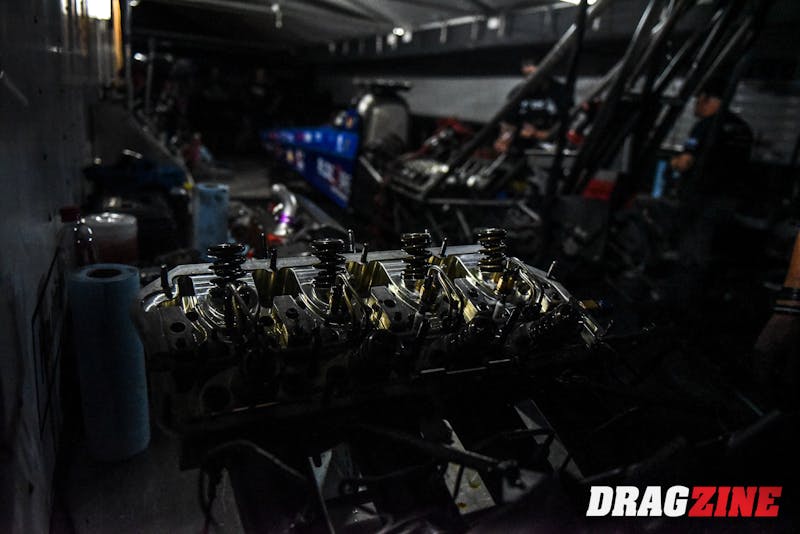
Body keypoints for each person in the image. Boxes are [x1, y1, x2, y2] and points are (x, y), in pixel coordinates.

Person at [494, 58, 573, 154]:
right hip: (524, 145)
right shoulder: (517, 93)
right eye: (527, 76)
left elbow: (568, 123)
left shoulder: (559, 92)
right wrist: (504, 139)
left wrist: (537, 133)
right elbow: (509, 123)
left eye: (534, 75)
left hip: (553, 144)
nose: (531, 80)